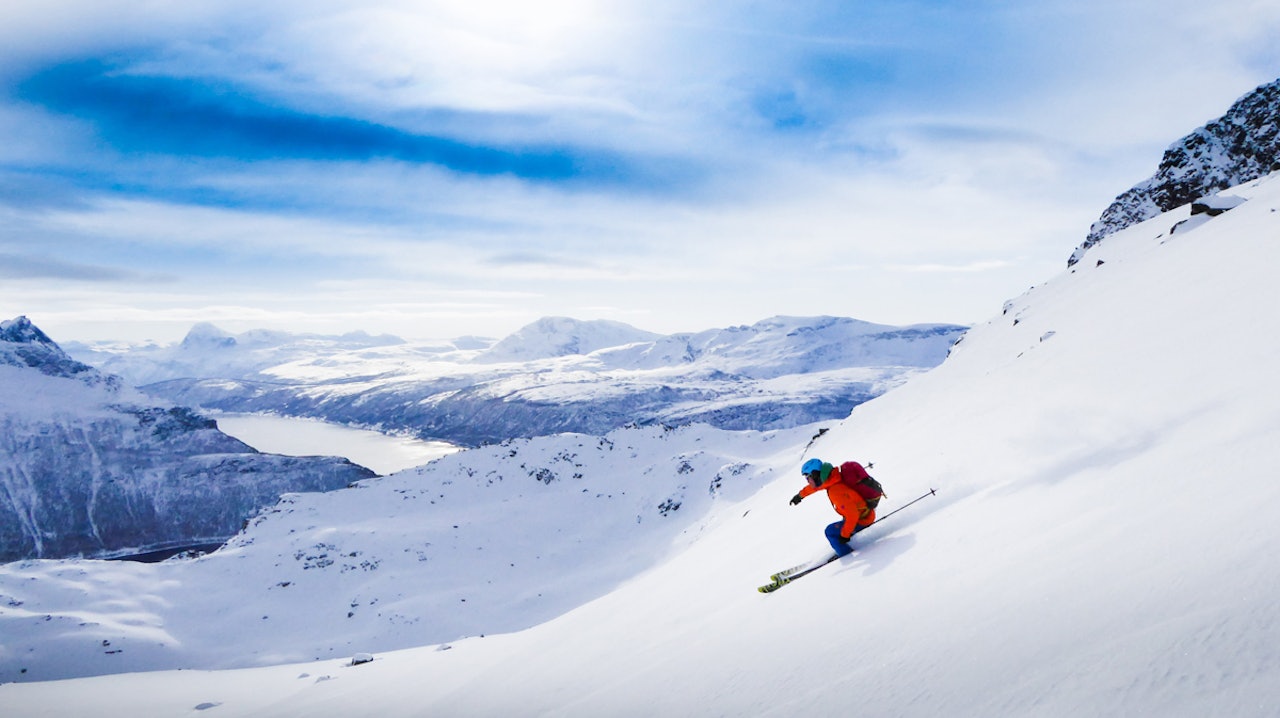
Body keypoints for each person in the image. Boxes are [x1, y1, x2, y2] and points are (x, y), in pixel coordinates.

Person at [789, 458, 875, 557]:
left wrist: (845, 535)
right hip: (864, 513)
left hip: (862, 519)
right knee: (841, 525)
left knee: (830, 532)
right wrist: (800, 496)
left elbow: (853, 515)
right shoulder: (832, 478)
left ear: (815, 475)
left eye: (808, 478)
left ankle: (846, 555)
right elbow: (815, 487)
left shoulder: (836, 490)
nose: (808, 481)